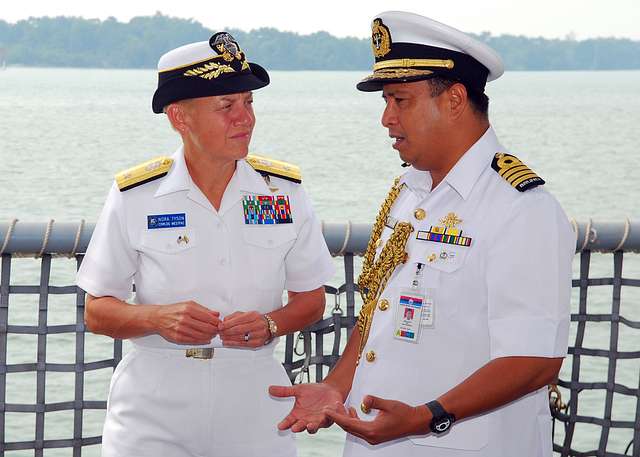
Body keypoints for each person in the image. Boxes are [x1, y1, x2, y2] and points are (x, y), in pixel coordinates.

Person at [270, 11, 575, 457]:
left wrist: (427, 415)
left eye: (400, 100)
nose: (386, 118)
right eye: (386, 101)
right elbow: (379, 309)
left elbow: (535, 361)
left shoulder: (520, 207)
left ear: (454, 100)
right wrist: (336, 386)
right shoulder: (409, 191)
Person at [76, 31, 334, 457]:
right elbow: (98, 311)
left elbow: (312, 298)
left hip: (255, 399)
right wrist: (158, 318)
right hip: (153, 404)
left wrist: (270, 324)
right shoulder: (135, 195)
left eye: (249, 103)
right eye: (227, 106)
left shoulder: (283, 194)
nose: (245, 118)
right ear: (180, 117)